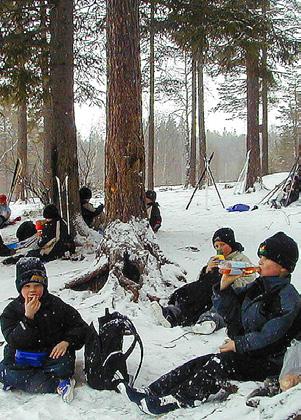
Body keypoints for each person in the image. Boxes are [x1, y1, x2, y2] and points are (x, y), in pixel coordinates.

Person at [119, 232, 301, 416]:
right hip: (251, 353)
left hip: (271, 362)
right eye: (260, 257)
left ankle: (179, 399)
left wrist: (239, 344)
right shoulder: (258, 286)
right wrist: (224, 287)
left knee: (217, 364)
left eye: (266, 258)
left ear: (283, 267)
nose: (260, 262)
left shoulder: (287, 297)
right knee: (200, 362)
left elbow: (272, 334)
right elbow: (231, 312)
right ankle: (153, 390)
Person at [0, 257, 88, 402]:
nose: (32, 290)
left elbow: (80, 326)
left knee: (64, 365)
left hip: (51, 357)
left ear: (44, 285)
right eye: (27, 286)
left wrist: (66, 342)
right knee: (5, 371)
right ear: (20, 288)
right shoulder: (11, 311)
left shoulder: (56, 305)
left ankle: (27, 381)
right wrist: (28, 317)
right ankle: (54, 384)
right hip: (23, 358)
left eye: (37, 285)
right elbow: (13, 339)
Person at [151, 228, 255, 334]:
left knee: (221, 306)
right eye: (216, 246)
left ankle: (209, 321)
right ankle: (171, 314)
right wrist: (207, 270)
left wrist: (227, 278)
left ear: (230, 244)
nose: (220, 249)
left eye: (223, 245)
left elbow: (249, 282)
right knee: (193, 297)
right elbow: (201, 282)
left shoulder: (241, 260)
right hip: (209, 294)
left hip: (230, 295)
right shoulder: (215, 260)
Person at [3, 204, 74, 265]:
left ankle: (15, 259)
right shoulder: (59, 222)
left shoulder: (52, 226)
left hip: (53, 251)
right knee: (31, 253)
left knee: (31, 254)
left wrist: (40, 237)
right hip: (59, 248)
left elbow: (44, 242)